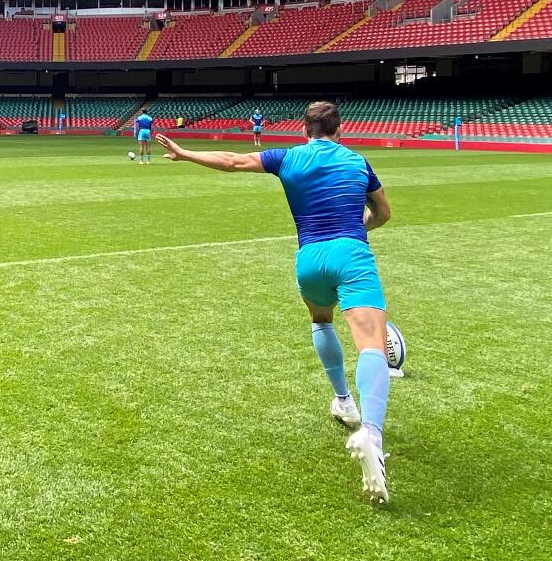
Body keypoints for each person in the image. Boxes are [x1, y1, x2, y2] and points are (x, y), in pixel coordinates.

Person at [155, 101, 394, 504]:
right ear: (340, 129)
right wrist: (361, 228)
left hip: (309, 260)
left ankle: (343, 402)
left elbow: (232, 161)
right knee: (371, 341)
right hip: (351, 252)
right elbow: (384, 212)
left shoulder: (288, 157)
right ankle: (370, 430)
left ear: (305, 129)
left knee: (321, 319)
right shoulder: (358, 162)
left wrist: (185, 153)